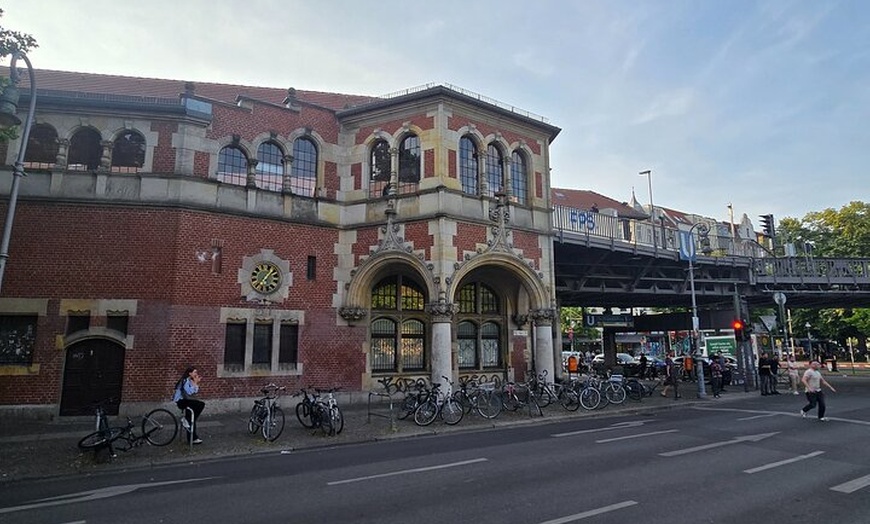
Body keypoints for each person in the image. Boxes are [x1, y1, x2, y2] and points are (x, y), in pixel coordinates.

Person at [173, 366, 205, 444]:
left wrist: (195, 383)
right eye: (195, 372)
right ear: (190, 373)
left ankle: (193, 438)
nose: (196, 374)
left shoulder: (189, 380)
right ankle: (187, 421)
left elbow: (195, 391)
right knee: (200, 404)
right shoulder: (184, 381)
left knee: (191, 417)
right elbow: (189, 392)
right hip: (181, 401)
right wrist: (195, 383)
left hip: (187, 401)